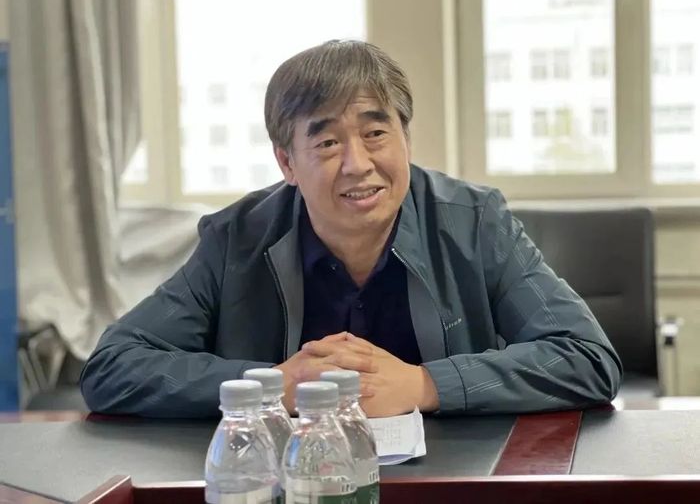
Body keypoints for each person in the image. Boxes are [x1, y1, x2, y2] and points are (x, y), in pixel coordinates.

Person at [80, 40, 622, 418]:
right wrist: (273, 385)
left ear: (406, 139)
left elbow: (587, 357)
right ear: (287, 163)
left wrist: (425, 384)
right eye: (327, 142)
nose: (358, 164)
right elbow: (112, 367)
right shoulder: (235, 239)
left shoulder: (474, 221)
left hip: (450, 478)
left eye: (376, 133)